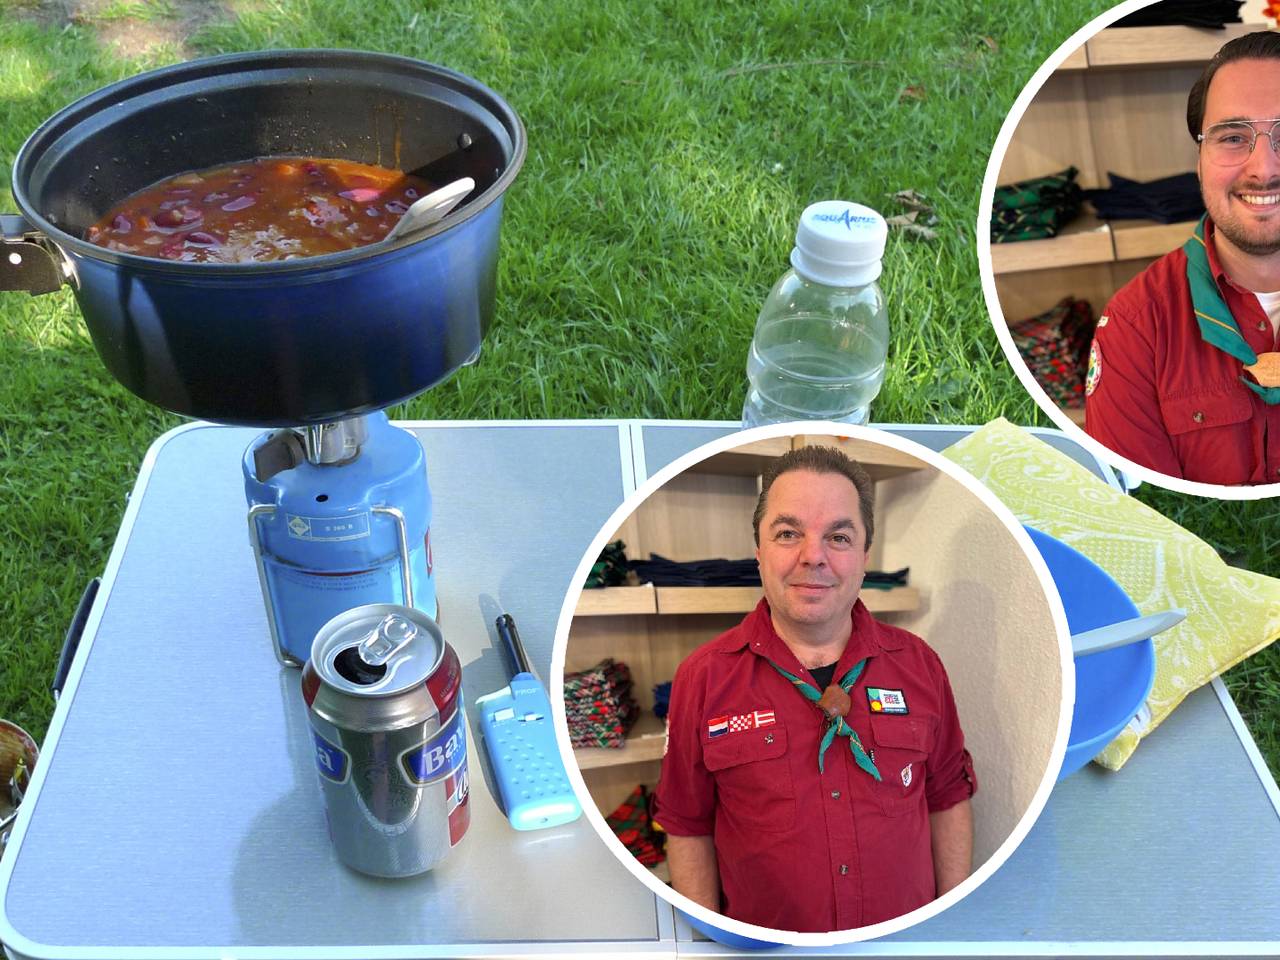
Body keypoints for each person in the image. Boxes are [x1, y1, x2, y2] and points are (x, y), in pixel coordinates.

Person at [650, 445, 976, 933]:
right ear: (758, 552)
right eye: (788, 533)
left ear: (865, 556)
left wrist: (951, 926)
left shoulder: (921, 665)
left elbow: (947, 796)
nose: (813, 557)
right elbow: (686, 823)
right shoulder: (702, 676)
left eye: (838, 537)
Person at [1084, 31, 1280, 484]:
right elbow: (1143, 514)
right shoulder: (1136, 327)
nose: (1264, 169)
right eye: (1234, 137)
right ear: (1200, 158)